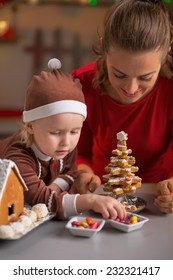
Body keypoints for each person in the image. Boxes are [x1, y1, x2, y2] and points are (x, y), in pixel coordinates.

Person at [71, 0, 173, 214]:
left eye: (145, 77)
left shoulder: (169, 91)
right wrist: (83, 173)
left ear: (164, 57)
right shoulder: (81, 85)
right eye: (119, 74)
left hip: (159, 200)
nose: (130, 88)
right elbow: (77, 151)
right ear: (104, 52)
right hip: (101, 197)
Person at [0, 58, 126, 220]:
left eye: (74, 131)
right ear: (30, 126)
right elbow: (43, 202)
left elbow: (71, 172)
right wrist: (89, 200)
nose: (66, 142)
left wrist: (53, 187)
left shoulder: (63, 148)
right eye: (55, 133)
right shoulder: (17, 158)